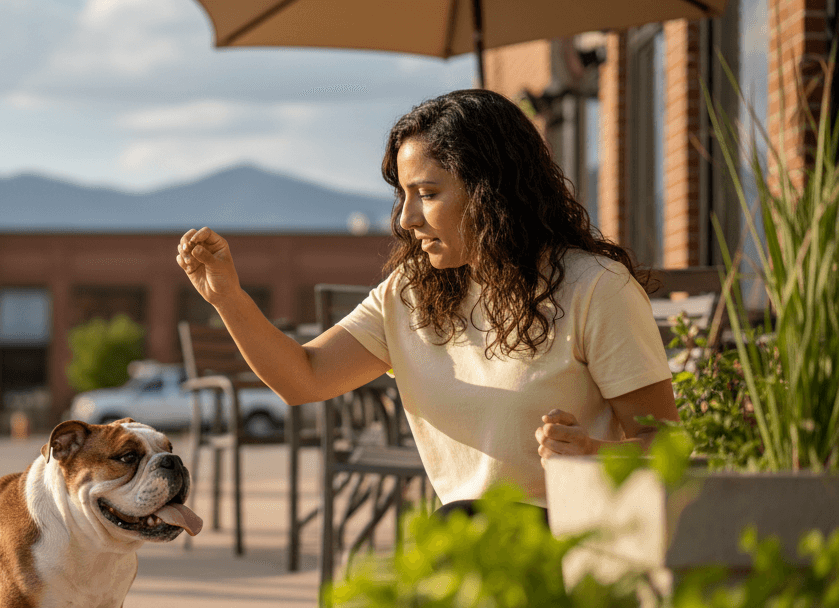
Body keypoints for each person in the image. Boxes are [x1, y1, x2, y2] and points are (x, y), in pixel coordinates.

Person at [176, 89, 677, 515]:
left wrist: (592, 452)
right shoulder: (411, 293)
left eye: (428, 193)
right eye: (403, 195)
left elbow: (669, 447)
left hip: (572, 538)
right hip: (466, 545)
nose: (407, 219)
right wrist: (228, 298)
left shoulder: (596, 288)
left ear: (491, 191)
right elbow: (303, 378)